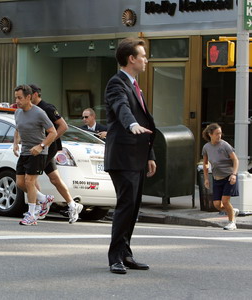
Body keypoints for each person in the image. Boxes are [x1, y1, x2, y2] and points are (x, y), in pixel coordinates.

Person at [104, 38, 156, 275]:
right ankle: (115, 257)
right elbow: (121, 108)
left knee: (133, 207)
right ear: (131, 59)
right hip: (122, 156)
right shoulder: (117, 84)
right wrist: (131, 123)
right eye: (143, 56)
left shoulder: (135, 85)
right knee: (126, 205)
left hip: (137, 155)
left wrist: (150, 155)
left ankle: (125, 254)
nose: (146, 59)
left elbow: (145, 121)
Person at [29, 84, 83, 223]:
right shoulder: (32, 109)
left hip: (46, 147)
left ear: (35, 94)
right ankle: (72, 204)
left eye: (28, 94)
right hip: (42, 147)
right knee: (54, 179)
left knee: (30, 177)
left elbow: (63, 126)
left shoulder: (47, 108)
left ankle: (40, 205)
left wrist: (48, 141)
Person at [13, 84, 57, 226]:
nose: (17, 101)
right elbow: (18, 129)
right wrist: (15, 143)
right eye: (16, 98)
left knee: (29, 181)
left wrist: (41, 146)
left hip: (38, 152)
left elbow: (53, 132)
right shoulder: (17, 113)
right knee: (20, 183)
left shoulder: (39, 113)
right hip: (25, 151)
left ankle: (32, 214)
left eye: (20, 98)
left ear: (28, 97)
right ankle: (44, 198)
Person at [202, 123, 239, 230]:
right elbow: (205, 163)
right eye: (217, 133)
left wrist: (234, 174)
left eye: (220, 133)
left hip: (229, 177)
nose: (219, 136)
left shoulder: (225, 145)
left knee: (225, 201)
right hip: (217, 178)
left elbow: (235, 159)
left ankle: (232, 222)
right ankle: (231, 211)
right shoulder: (206, 147)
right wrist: (206, 179)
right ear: (210, 134)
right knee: (217, 204)